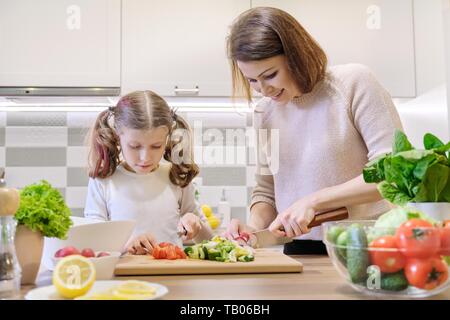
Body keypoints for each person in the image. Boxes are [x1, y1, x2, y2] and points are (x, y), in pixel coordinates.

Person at [225, 7, 403, 254]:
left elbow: (393, 174)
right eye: (252, 80)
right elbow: (266, 192)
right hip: (300, 251)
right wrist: (251, 229)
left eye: (270, 75)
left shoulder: (353, 84)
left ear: (296, 56)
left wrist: (313, 201)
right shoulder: (265, 113)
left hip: (367, 244)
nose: (262, 90)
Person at [84, 90, 212, 254]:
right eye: (135, 146)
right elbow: (92, 243)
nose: (145, 157)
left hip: (172, 275)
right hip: (123, 277)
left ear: (167, 139)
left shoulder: (176, 177)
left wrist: (196, 224)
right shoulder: (104, 180)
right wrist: (125, 245)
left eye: (156, 146)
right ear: (118, 137)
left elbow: (208, 241)